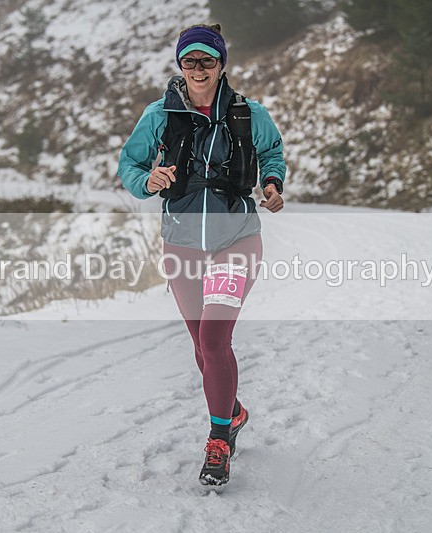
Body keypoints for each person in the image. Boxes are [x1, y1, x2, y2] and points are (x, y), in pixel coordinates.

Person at [117, 23, 285, 486]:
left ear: (220, 64)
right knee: (201, 344)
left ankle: (218, 441)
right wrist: (146, 181)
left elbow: (272, 154)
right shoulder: (160, 114)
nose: (197, 69)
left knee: (213, 339)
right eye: (188, 61)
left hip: (237, 240)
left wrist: (272, 184)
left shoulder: (249, 114)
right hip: (182, 242)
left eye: (206, 60)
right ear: (180, 65)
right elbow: (130, 164)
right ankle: (232, 411)